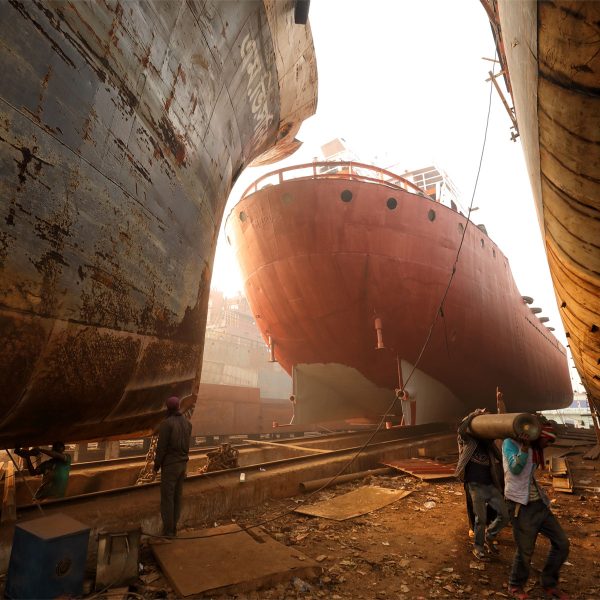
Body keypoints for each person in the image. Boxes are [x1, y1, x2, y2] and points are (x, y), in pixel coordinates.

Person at [503, 424, 569, 599]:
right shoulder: (509, 444)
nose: (549, 445)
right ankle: (515, 585)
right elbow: (515, 469)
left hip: (538, 504)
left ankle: (548, 581)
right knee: (525, 550)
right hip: (520, 505)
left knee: (562, 543)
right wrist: (523, 449)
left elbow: (529, 476)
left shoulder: (535, 448)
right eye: (548, 440)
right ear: (539, 436)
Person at [455, 408, 509, 559]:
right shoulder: (469, 441)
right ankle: (478, 548)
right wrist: (473, 414)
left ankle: (489, 536)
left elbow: (500, 437)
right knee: (481, 518)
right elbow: (461, 429)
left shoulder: (489, 445)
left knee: (505, 515)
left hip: (490, 485)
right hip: (475, 485)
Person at [153, 396, 192, 537]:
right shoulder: (188, 423)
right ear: (178, 407)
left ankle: (168, 531)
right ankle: (174, 528)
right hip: (183, 465)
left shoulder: (166, 424)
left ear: (168, 408)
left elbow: (161, 448)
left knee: (167, 499)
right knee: (177, 497)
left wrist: (156, 466)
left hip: (170, 466)